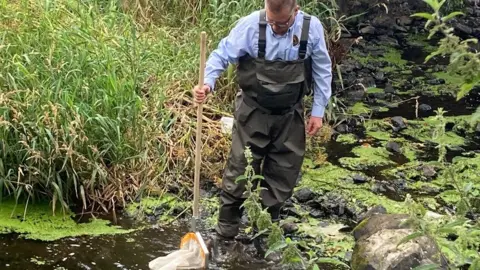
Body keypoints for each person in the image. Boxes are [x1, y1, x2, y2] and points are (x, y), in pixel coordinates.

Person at [193, 0, 332, 240]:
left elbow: (322, 69)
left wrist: (318, 111)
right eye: (271, 22)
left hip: (290, 115)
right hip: (252, 112)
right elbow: (221, 54)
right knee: (240, 168)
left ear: (295, 11)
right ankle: (226, 232)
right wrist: (207, 83)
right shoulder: (250, 26)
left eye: (282, 23)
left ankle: (266, 232)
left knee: (283, 173)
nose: (275, 28)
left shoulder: (311, 28)